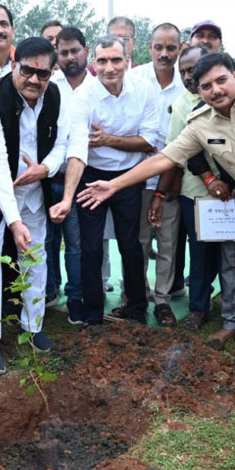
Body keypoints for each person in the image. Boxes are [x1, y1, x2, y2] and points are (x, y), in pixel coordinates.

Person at [79, 51, 235, 365]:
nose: (216, 90)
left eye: (222, 80)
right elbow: (164, 158)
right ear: (198, 91)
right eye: (206, 86)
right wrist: (114, 185)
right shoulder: (199, 124)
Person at [0, 37, 70, 373]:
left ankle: (33, 326)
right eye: (27, 70)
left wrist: (46, 169)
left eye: (43, 73)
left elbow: (62, 143)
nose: (35, 80)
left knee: (35, 258)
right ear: (14, 65)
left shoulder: (55, 95)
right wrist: (13, 222)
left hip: (33, 192)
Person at [69, 35, 159, 324]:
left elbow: (149, 141)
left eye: (116, 60)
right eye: (103, 61)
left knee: (131, 245)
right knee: (92, 246)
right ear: (93, 63)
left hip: (130, 176)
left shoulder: (145, 90)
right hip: (91, 175)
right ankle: (93, 312)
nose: (109, 67)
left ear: (127, 61)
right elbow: (78, 145)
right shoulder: (83, 95)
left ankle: (136, 308)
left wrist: (108, 140)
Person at [128, 23, 185, 326]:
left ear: (180, 48)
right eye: (158, 47)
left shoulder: (188, 85)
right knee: (137, 242)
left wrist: (171, 181)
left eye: (171, 48)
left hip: (171, 179)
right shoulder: (134, 80)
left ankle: (162, 300)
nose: (164, 54)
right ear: (149, 48)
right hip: (137, 179)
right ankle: (139, 294)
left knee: (167, 242)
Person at [166, 46, 218, 332]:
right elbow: (175, 151)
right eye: (182, 71)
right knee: (198, 253)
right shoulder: (181, 104)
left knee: (232, 255)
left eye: (193, 69)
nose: (188, 76)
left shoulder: (230, 95)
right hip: (195, 190)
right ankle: (199, 308)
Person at [46, 27, 91, 324]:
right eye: (63, 52)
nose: (70, 57)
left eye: (75, 50)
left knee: (76, 243)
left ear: (85, 50)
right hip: (48, 176)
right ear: (56, 55)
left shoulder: (98, 87)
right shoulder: (49, 85)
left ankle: (76, 298)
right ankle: (50, 291)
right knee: (48, 239)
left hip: (80, 178)